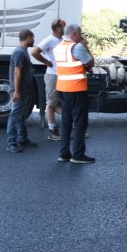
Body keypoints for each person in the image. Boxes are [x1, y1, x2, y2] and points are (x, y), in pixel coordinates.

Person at [53, 23, 96, 164]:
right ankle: (78, 154)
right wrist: (85, 46)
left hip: (63, 88)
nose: (80, 36)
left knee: (66, 122)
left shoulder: (59, 48)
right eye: (79, 34)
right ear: (74, 34)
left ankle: (64, 153)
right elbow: (91, 62)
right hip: (77, 89)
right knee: (80, 122)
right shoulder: (76, 47)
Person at [31, 18, 66, 140]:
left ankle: (69, 127)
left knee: (62, 102)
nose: (64, 29)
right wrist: (47, 62)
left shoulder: (62, 39)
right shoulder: (49, 40)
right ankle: (52, 131)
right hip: (52, 75)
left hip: (62, 75)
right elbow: (35, 52)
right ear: (57, 29)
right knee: (51, 104)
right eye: (63, 27)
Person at [6, 29, 38, 153]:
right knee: (15, 116)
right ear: (29, 37)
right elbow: (17, 72)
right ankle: (11, 143)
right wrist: (17, 91)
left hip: (25, 89)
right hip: (20, 90)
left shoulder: (23, 51)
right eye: (33, 37)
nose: (34, 40)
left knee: (20, 116)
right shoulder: (19, 52)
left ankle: (23, 139)